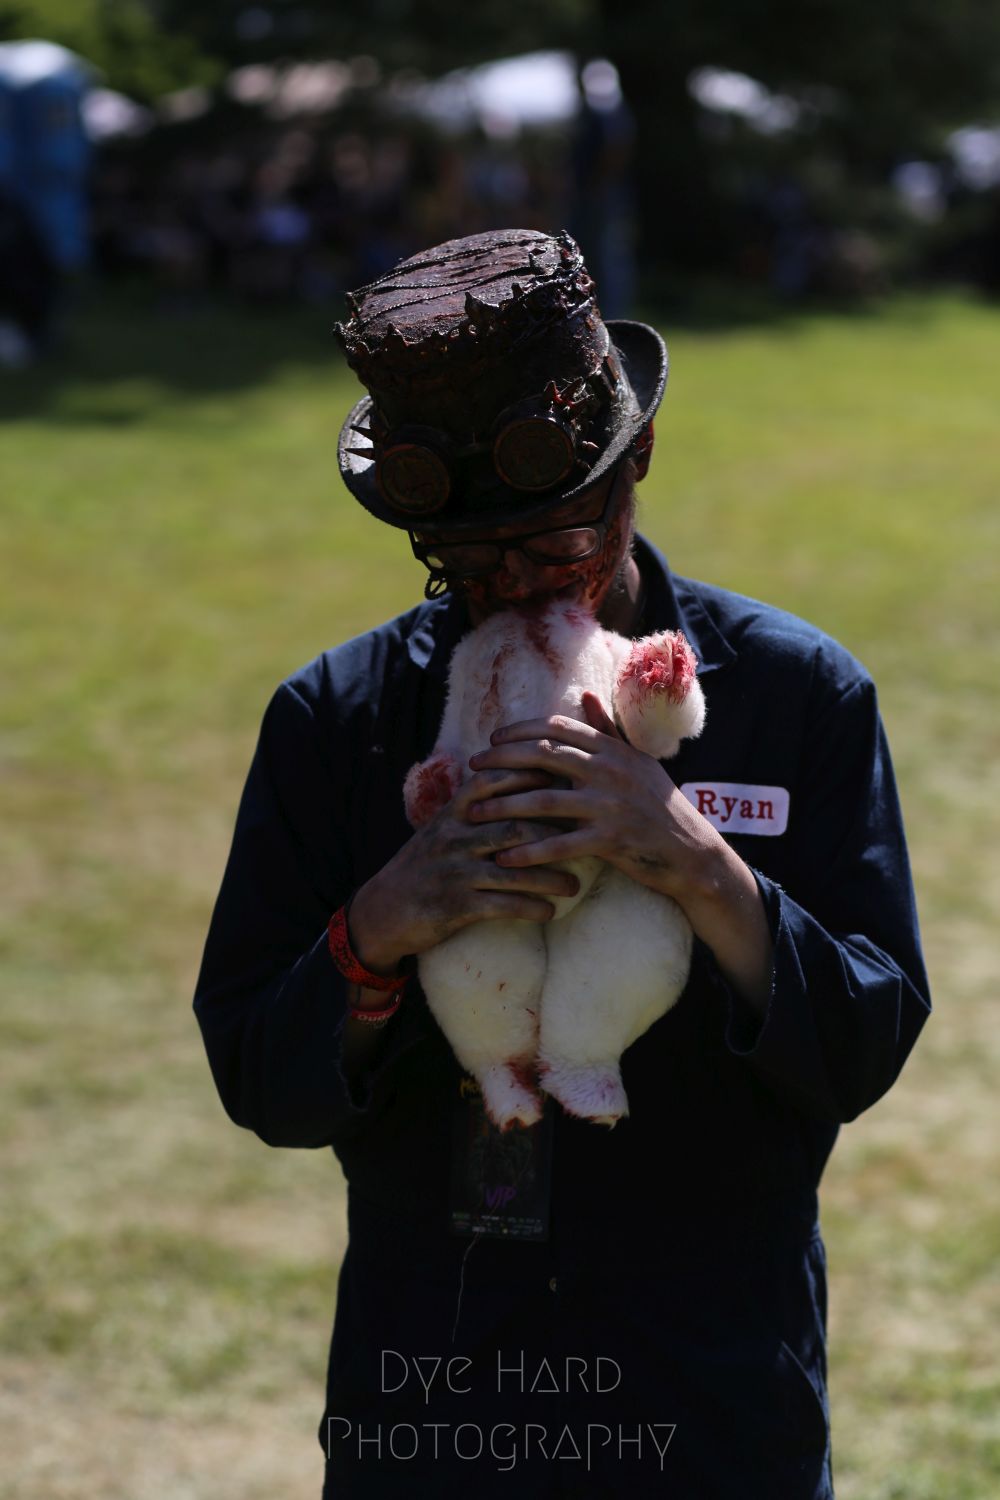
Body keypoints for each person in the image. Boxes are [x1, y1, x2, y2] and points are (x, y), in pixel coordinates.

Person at [194, 228, 930, 1499]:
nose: (520, 587)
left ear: (635, 458)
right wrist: (383, 922)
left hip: (711, 1378)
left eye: (554, 541)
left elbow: (864, 1045)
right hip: (435, 1383)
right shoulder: (338, 718)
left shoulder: (796, 695)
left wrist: (692, 859)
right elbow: (264, 1081)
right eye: (469, 563)